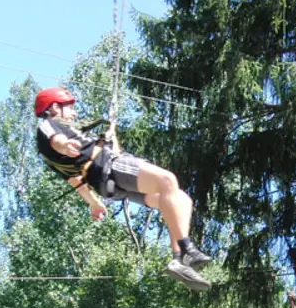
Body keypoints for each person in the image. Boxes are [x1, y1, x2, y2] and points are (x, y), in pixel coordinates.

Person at [33, 87, 211, 291]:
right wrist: (64, 145)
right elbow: (56, 140)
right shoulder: (50, 124)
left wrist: (94, 202)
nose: (74, 112)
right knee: (168, 180)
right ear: (55, 107)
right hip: (108, 167)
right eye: (70, 107)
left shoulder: (61, 145)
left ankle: (178, 261)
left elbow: (73, 179)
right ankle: (186, 248)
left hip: (105, 183)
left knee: (179, 199)